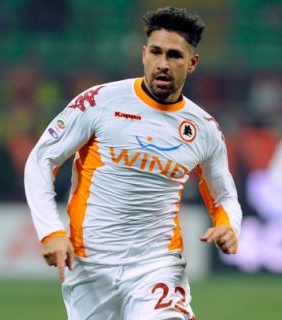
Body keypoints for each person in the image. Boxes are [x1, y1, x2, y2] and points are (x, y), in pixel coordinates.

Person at [24, 7, 242, 320]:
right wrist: (51, 232)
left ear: (192, 63)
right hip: (90, 266)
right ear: (143, 54)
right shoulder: (99, 102)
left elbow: (224, 196)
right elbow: (41, 161)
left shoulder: (204, 129)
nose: (163, 64)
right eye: (156, 52)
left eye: (175, 56)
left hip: (158, 265)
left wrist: (228, 225)